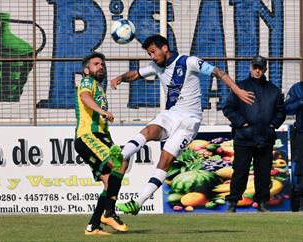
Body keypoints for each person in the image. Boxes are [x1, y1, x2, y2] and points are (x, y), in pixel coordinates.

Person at [110, 34, 255, 215]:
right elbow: (136, 74)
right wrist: (120, 78)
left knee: (165, 161)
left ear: (165, 48)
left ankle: (138, 202)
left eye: (153, 52)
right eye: (149, 54)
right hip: (171, 114)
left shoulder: (189, 62)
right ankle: (120, 156)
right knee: (149, 130)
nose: (152, 57)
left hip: (190, 120)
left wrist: (238, 91)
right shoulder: (156, 66)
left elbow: (218, 72)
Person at [74, 52, 129, 235]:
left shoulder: (98, 86)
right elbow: (85, 97)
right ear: (87, 70)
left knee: (108, 183)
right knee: (120, 161)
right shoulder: (87, 82)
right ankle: (110, 213)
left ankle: (93, 226)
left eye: (102, 64)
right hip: (89, 135)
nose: (101, 66)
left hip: (99, 136)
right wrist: (102, 112)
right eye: (96, 64)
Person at [222, 55, 286, 212]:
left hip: (265, 137)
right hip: (244, 138)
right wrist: (241, 123)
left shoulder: (274, 90)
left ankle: (262, 203)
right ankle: (233, 203)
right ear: (250, 68)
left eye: (260, 68)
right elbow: (228, 108)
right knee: (240, 172)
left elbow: (281, 111)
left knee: (263, 173)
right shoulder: (240, 87)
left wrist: (273, 124)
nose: (257, 70)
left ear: (265, 69)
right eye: (255, 67)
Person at [284, 81, 303, 211]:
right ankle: (300, 205)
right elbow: (286, 109)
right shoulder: (297, 88)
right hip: (301, 134)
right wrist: (301, 102)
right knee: (299, 171)